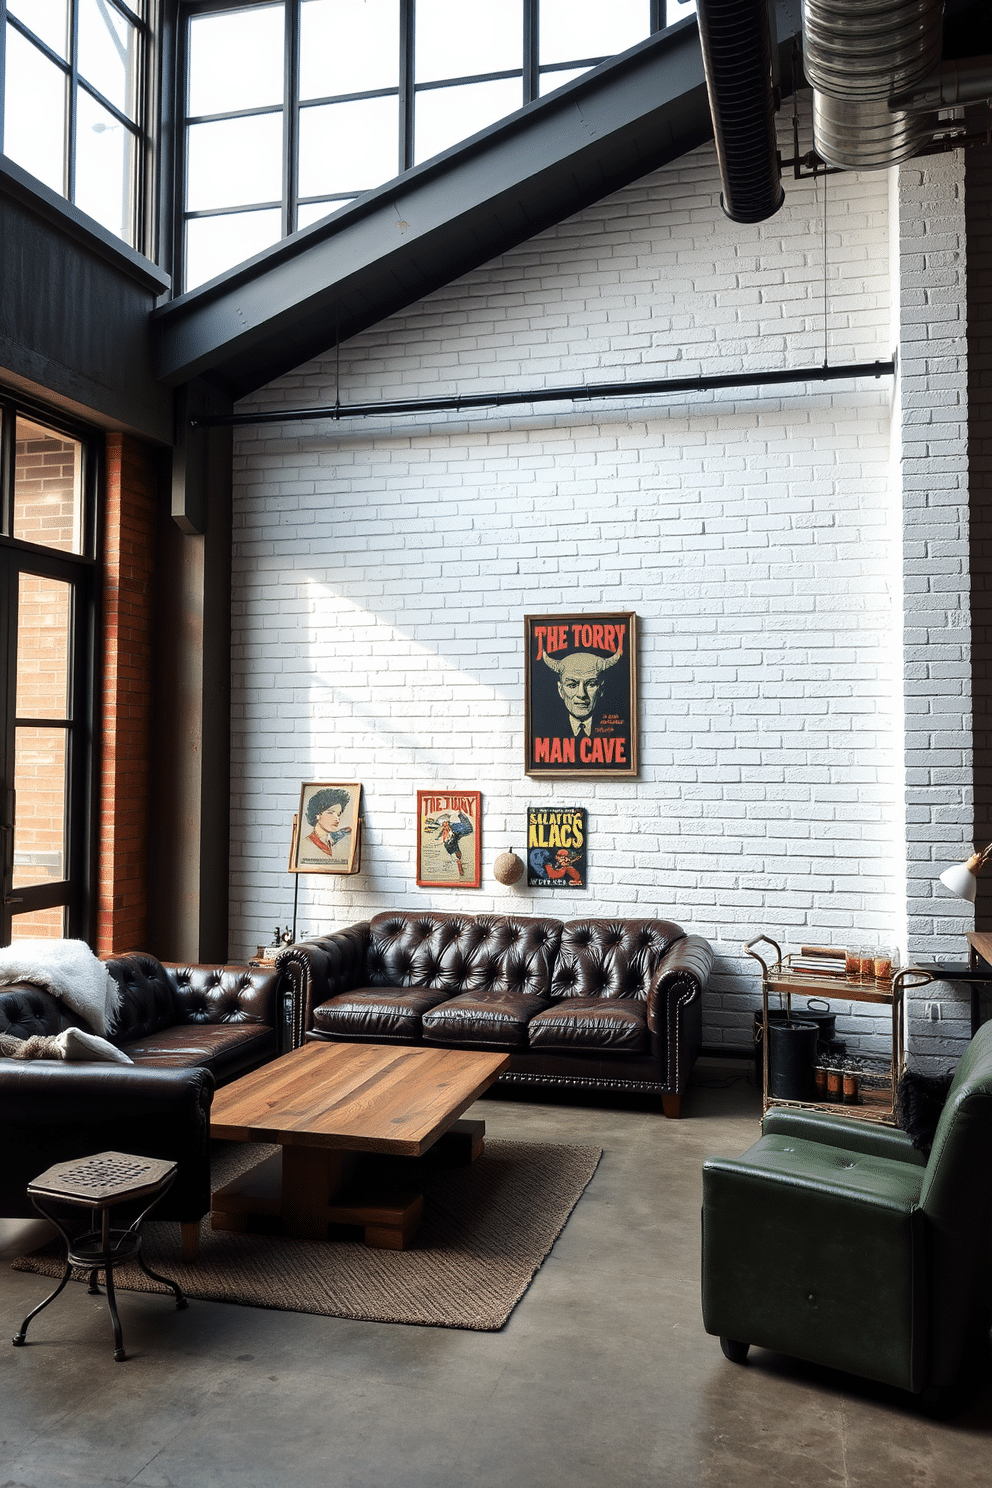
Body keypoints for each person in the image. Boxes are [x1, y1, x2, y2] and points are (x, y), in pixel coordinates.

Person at [542, 643, 624, 737]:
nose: (581, 694)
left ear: (601, 689)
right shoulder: (545, 731)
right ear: (560, 690)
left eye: (591, 684)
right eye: (572, 685)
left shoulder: (617, 730)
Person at [304, 787, 352, 858]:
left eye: (338, 814)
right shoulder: (307, 843)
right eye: (331, 813)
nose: (337, 818)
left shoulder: (334, 840)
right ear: (318, 815)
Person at [427, 809, 473, 877]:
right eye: (443, 824)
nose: (445, 825)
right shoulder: (440, 832)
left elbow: (469, 829)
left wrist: (461, 816)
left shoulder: (454, 828)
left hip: (453, 852)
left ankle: (459, 866)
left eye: (446, 823)